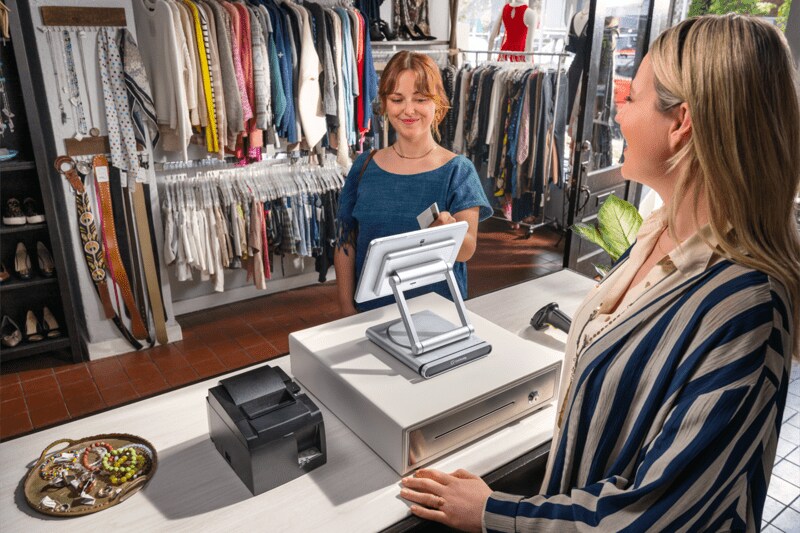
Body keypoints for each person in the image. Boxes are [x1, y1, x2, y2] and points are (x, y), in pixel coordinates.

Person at [398, 15, 800, 532]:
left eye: (633, 98)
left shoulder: (745, 306)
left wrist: (494, 513)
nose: (616, 106)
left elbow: (654, 518)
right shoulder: (657, 235)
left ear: (681, 124)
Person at [334, 51, 492, 316]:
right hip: (371, 315)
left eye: (420, 99)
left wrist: (446, 234)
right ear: (384, 104)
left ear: (437, 103)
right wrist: (347, 310)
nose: (408, 110)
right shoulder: (363, 166)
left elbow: (467, 250)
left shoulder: (458, 171)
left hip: (438, 316)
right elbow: (344, 243)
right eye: (397, 99)